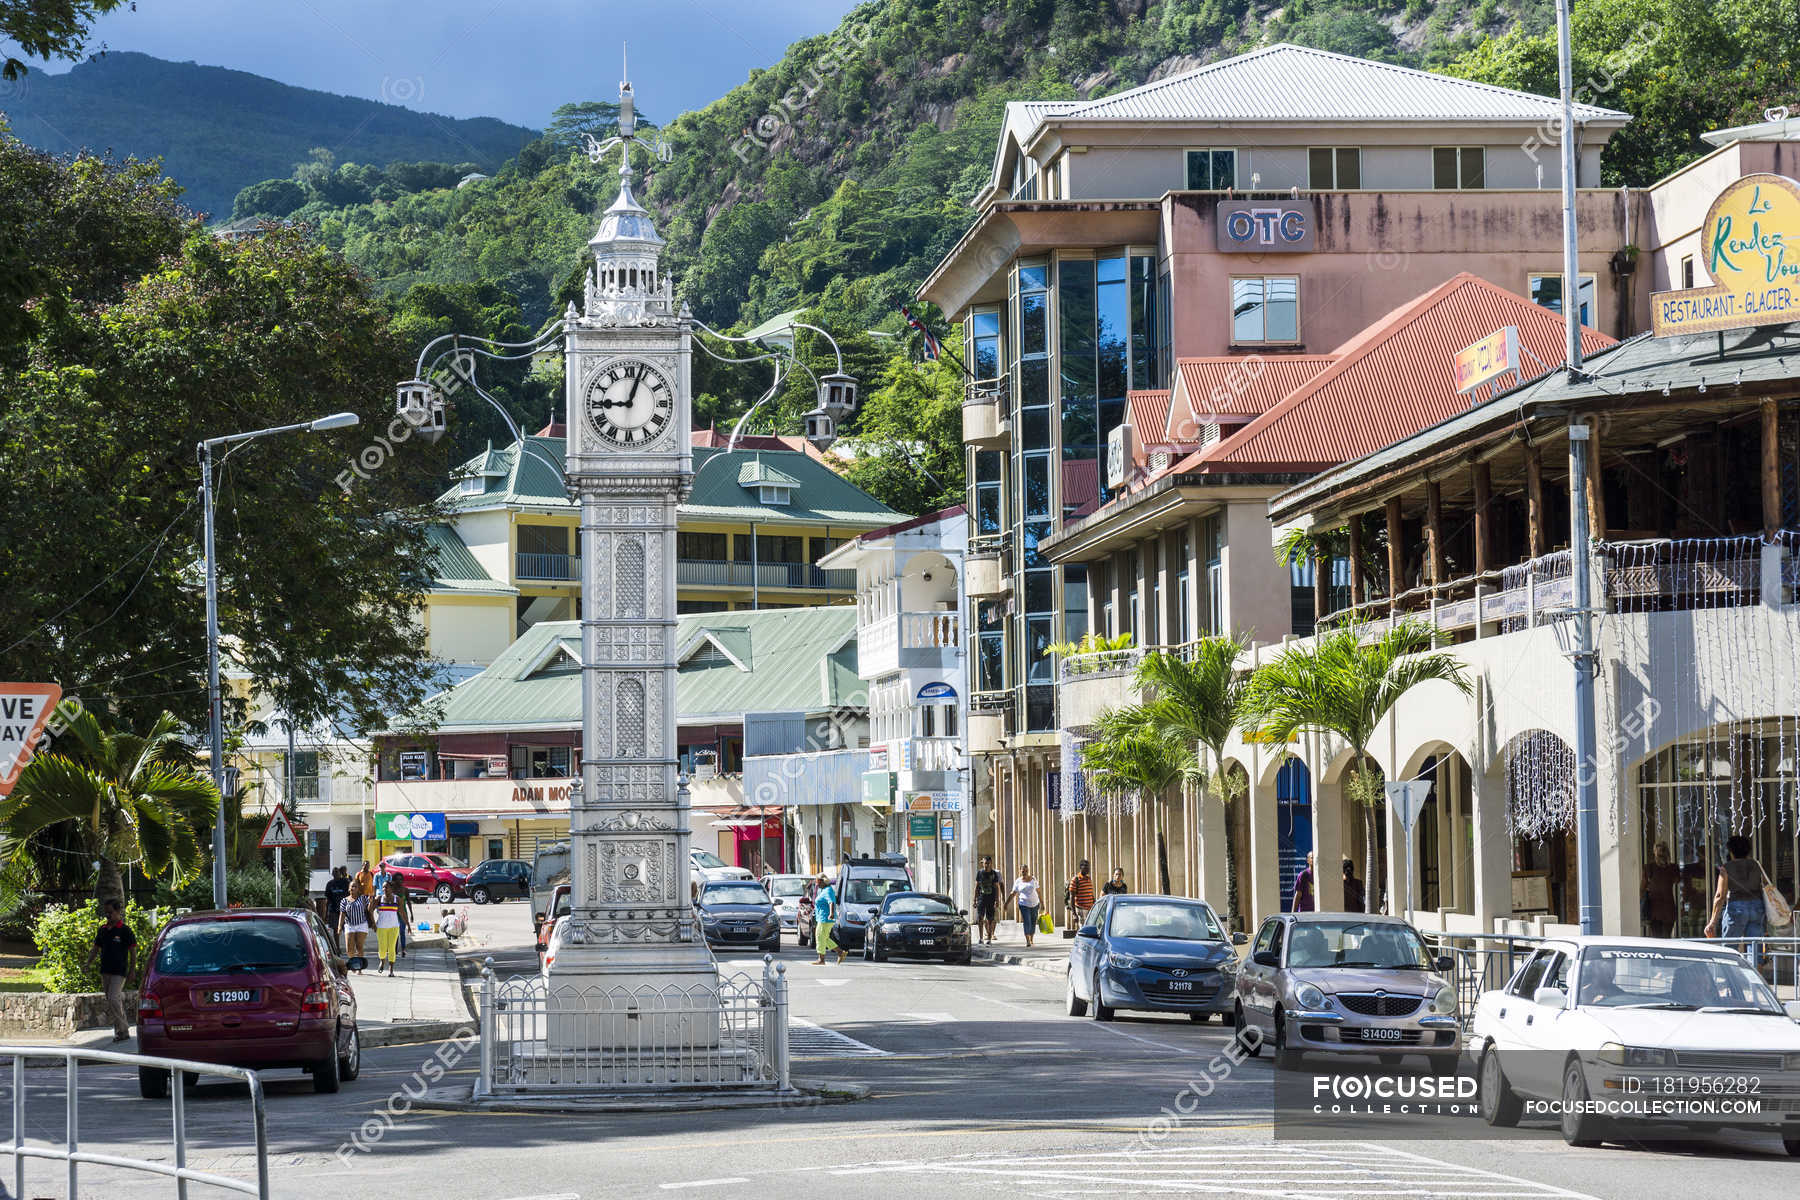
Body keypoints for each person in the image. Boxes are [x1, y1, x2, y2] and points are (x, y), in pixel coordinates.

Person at [1704, 834, 1768, 971]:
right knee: (1755, 950)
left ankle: (1732, 982)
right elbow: (1767, 887)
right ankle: (1756, 985)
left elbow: (1720, 895)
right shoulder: (1756, 866)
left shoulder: (1726, 868)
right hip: (1757, 907)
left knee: (1729, 949)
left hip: (1736, 907)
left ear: (1731, 851)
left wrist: (1712, 922)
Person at [84, 899, 136, 1042]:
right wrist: (88, 963)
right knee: (113, 1000)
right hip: (105, 970)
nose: (108, 915)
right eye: (106, 913)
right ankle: (120, 1031)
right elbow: (95, 949)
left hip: (119, 971)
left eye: (110, 912)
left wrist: (132, 971)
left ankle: (123, 1030)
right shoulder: (102, 930)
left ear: (118, 912)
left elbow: (133, 952)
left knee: (113, 998)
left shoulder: (125, 930)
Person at [1641, 842, 1680, 938]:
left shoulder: (1672, 868)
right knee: (1659, 936)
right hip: (1657, 908)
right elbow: (1643, 887)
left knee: (1661, 937)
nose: (1660, 855)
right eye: (1659, 853)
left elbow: (1642, 887)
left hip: (1665, 908)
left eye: (1662, 852)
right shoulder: (1650, 867)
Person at [373, 878, 408, 976]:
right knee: (382, 948)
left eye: (386, 887)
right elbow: (370, 910)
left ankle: (391, 970)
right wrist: (373, 923)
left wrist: (408, 925)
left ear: (391, 889)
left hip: (394, 927)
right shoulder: (379, 898)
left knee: (392, 948)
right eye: (383, 887)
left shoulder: (397, 899)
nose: (384, 888)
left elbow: (402, 912)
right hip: (381, 927)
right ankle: (382, 961)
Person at [812, 874, 843, 965]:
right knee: (824, 938)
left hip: (825, 918)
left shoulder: (828, 891)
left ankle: (821, 959)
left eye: (817, 881)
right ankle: (840, 952)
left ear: (822, 881)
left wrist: (831, 913)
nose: (816, 883)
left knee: (819, 936)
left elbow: (831, 902)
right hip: (822, 918)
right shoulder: (824, 890)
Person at [339, 884, 371, 970]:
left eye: (355, 886)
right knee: (349, 949)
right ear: (349, 888)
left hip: (362, 924)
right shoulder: (344, 900)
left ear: (358, 889)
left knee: (359, 946)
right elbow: (342, 914)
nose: (353, 888)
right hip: (349, 925)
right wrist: (339, 926)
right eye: (352, 886)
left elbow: (369, 909)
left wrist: (372, 900)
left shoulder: (363, 898)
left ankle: (359, 967)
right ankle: (353, 963)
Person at [973, 856, 1003, 945]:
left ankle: (989, 938)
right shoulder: (980, 873)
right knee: (980, 918)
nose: (986, 865)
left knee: (990, 919)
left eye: (988, 863)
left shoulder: (994, 874)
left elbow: (997, 887)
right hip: (981, 898)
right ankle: (981, 938)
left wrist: (997, 900)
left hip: (991, 898)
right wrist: (974, 899)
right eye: (985, 863)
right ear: (983, 864)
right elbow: (976, 886)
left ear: (991, 863)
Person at [1013, 865, 1042, 949]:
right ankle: (1027, 940)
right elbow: (1013, 893)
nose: (1024, 872)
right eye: (1023, 871)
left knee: (1033, 921)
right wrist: (1006, 903)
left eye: (1026, 871)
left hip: (1035, 904)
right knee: (1027, 921)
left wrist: (1042, 903)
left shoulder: (1033, 879)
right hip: (1023, 904)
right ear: (1020, 871)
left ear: (1028, 871)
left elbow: (1038, 891)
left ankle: (1031, 938)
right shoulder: (1018, 881)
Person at [1066, 860, 1095, 929]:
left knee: (1090, 929)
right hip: (1081, 908)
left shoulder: (1089, 878)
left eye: (1088, 867)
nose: (1088, 869)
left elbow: (1090, 894)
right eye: (1086, 867)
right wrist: (1074, 914)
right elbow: (1072, 897)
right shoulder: (1075, 879)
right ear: (1081, 867)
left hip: (1090, 909)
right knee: (1083, 929)